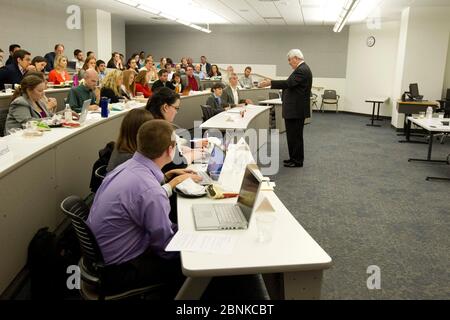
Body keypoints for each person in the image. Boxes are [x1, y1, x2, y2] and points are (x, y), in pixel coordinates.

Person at [88, 119, 201, 297]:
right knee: (195, 262)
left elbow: (142, 196)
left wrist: (166, 177)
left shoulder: (124, 168)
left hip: (101, 257)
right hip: (121, 270)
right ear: (170, 150)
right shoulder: (150, 190)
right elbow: (165, 247)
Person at [259, 49, 312, 168]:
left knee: (295, 136)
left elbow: (288, 83)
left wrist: (270, 83)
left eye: (289, 60)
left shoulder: (302, 70)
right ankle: (293, 158)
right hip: (295, 109)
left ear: (296, 58)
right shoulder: (301, 69)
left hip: (296, 110)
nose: (289, 62)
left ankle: (297, 161)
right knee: (292, 136)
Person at [145, 87, 204, 168]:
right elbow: (175, 164)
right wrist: (193, 155)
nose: (176, 112)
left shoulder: (152, 122)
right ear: (165, 107)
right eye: (176, 108)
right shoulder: (158, 130)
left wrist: (189, 147)